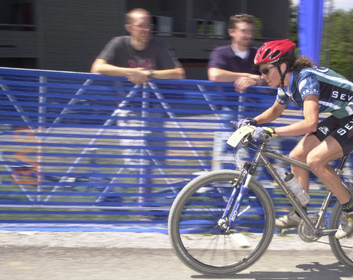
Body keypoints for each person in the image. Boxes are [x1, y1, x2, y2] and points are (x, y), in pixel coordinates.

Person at [237, 39, 353, 238]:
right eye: (261, 71)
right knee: (297, 156)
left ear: (282, 66)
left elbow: (311, 123)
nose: (262, 75)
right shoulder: (285, 85)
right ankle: (300, 212)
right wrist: (253, 122)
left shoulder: (305, 79)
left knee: (315, 160)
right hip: (342, 116)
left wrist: (272, 131)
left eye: (266, 70)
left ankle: (352, 210)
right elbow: (276, 110)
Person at [90, 8, 186, 204]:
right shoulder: (118, 44)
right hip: (129, 109)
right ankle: (142, 203)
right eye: (141, 25)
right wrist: (130, 72)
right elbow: (97, 68)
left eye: (149, 25)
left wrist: (149, 74)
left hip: (154, 109)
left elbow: (178, 73)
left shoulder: (158, 46)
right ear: (129, 27)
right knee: (139, 158)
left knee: (154, 159)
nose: (146, 30)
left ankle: (144, 201)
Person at [207, 14, 266, 92]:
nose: (249, 35)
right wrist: (248, 76)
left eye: (251, 31)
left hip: (253, 103)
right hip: (227, 103)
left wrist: (256, 82)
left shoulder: (259, 54)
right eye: (244, 31)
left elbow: (272, 80)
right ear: (232, 32)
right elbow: (215, 75)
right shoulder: (221, 53)